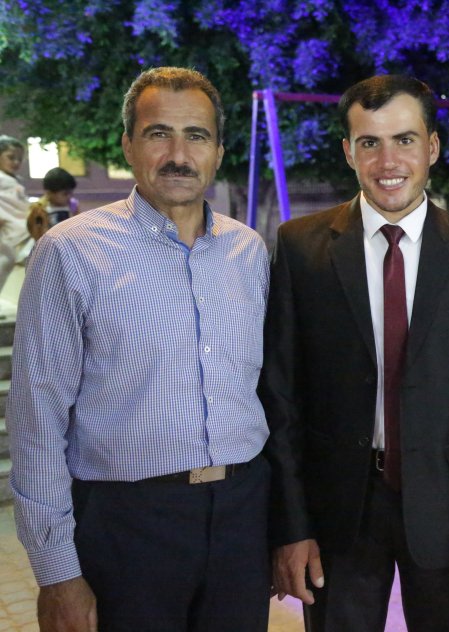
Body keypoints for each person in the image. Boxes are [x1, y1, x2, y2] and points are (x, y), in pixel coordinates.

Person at [8, 67, 272, 631]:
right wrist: (57, 573)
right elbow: (37, 420)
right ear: (128, 145)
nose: (178, 155)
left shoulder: (249, 252)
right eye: (158, 134)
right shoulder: (70, 252)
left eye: (196, 136)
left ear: (218, 152)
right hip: (126, 526)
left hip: (243, 520)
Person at [260, 74, 449, 632]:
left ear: (432, 147)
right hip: (337, 513)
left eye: (404, 139)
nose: (388, 160)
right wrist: (291, 526)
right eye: (369, 142)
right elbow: (281, 398)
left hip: (448, 511)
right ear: (348, 151)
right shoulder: (301, 248)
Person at [0, 135, 31, 289]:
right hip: (11, 231)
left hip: (16, 231)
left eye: (19, 159)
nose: (16, 162)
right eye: (11, 157)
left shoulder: (13, 180)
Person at [27, 167, 79, 241]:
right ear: (49, 193)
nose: (69, 197)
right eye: (65, 194)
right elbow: (36, 232)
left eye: (71, 193)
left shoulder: (73, 206)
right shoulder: (39, 209)